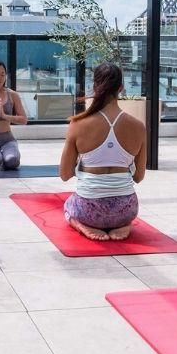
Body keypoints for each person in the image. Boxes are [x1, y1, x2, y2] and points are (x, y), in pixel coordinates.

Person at [58, 62, 146, 241]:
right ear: (120, 88)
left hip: (89, 212)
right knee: (121, 205)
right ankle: (124, 225)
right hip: (126, 210)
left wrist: (88, 170)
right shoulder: (138, 127)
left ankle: (80, 224)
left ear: (95, 86)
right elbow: (138, 177)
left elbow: (64, 174)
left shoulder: (78, 125)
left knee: (68, 205)